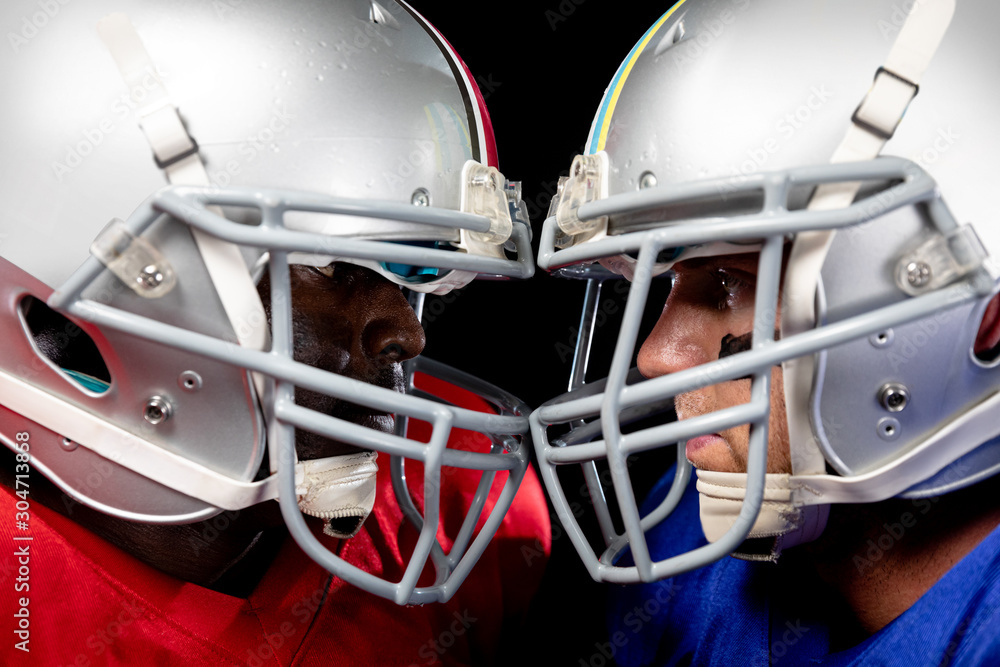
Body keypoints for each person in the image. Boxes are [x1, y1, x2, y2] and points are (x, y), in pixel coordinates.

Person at [0, 0, 550, 663]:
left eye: (410, 268)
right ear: (121, 271)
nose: (409, 333)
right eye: (333, 263)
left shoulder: (463, 503)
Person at [529, 0, 1000, 663]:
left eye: (731, 281)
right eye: (667, 280)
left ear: (981, 315)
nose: (658, 356)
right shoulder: (688, 534)